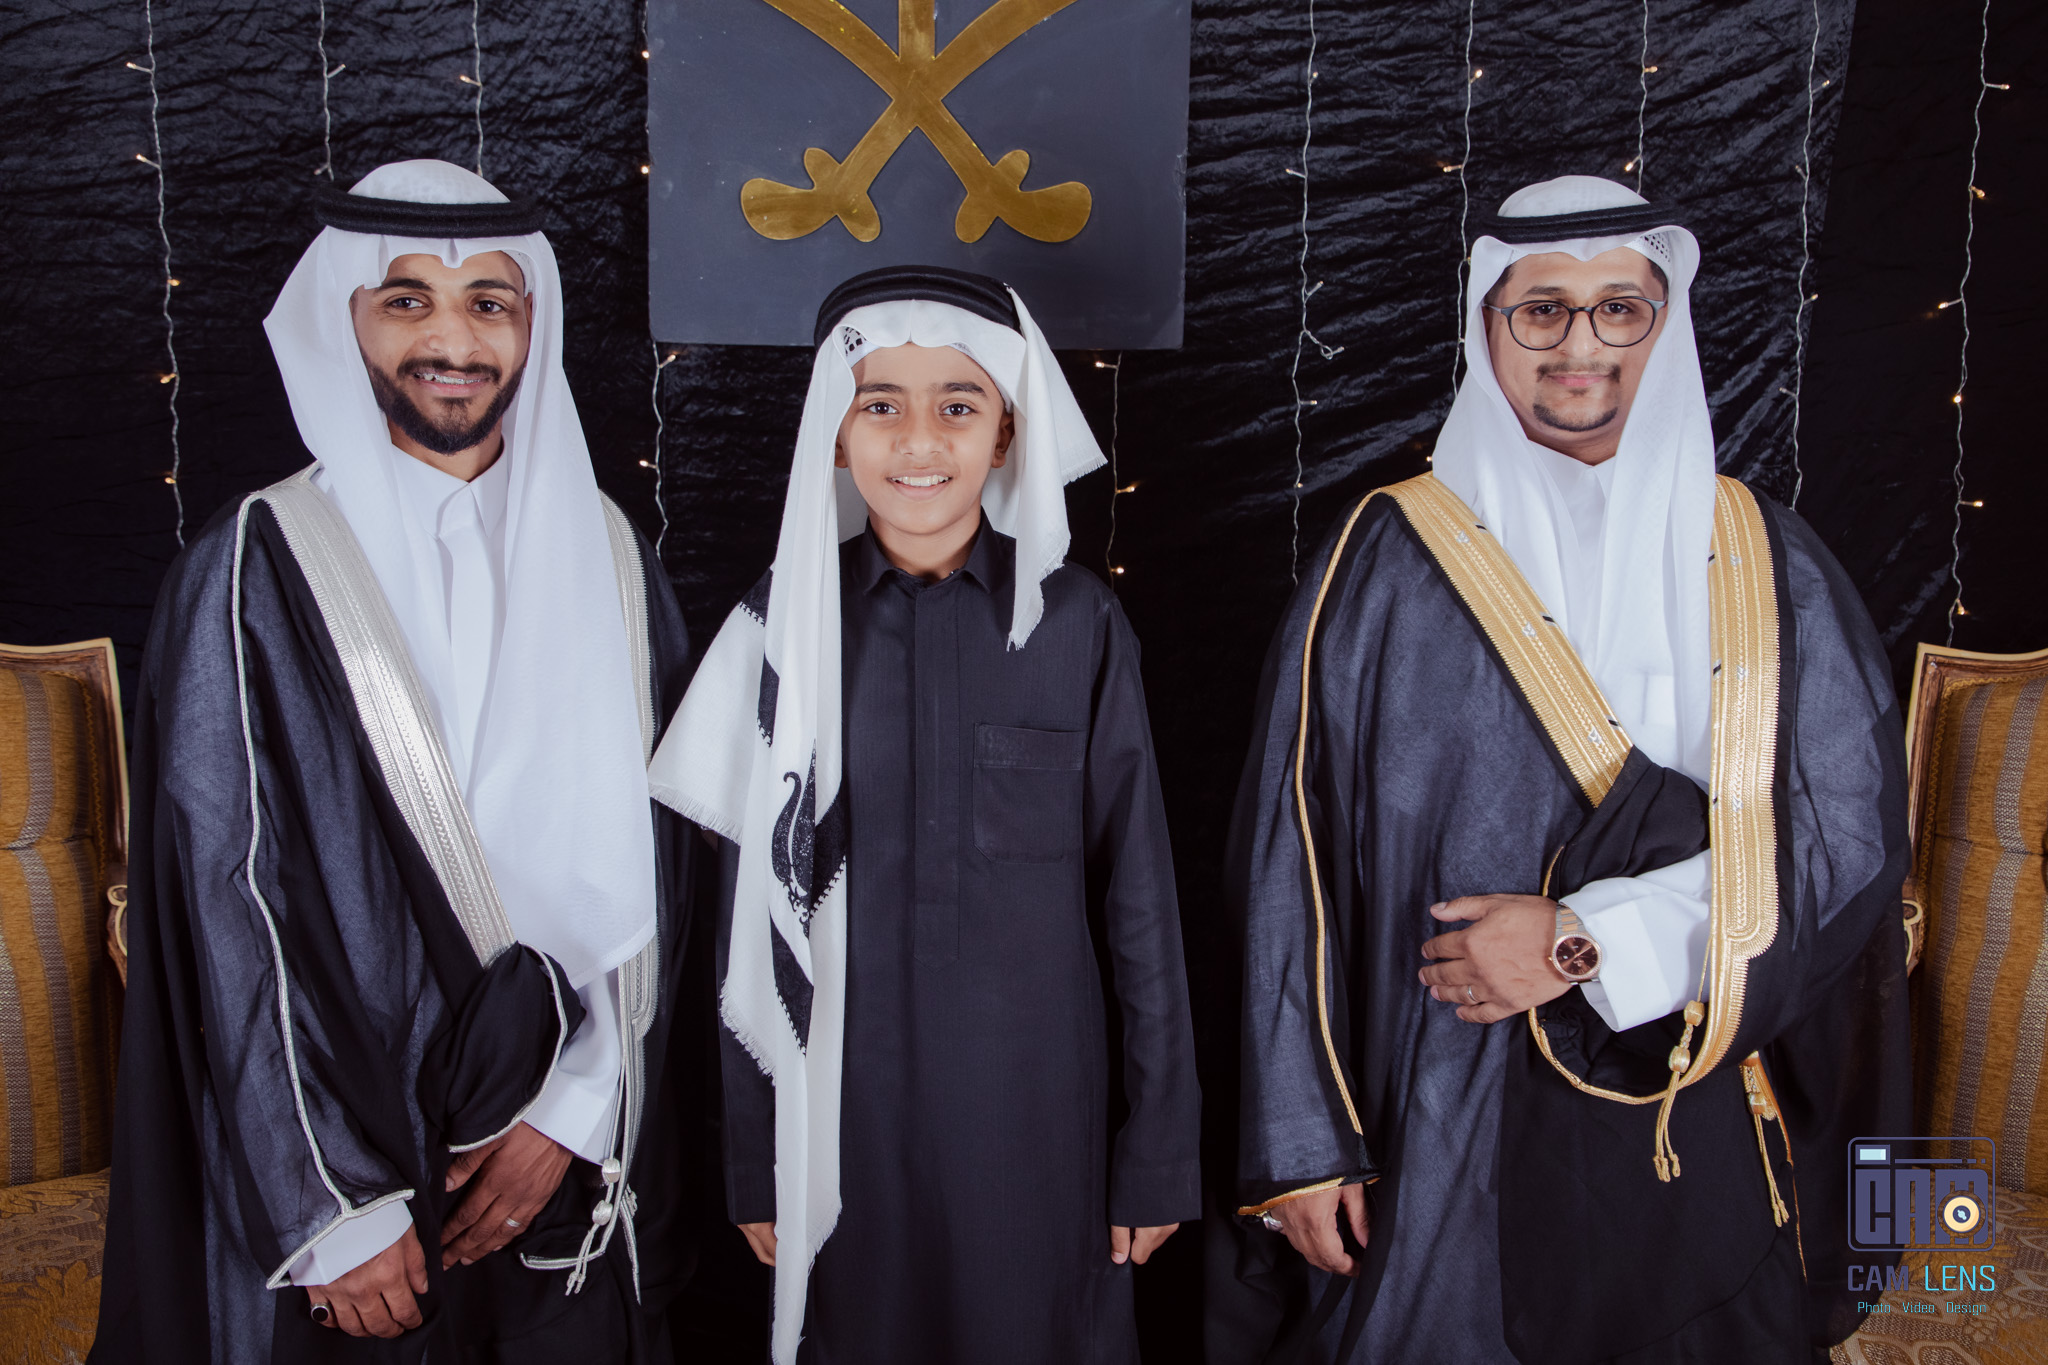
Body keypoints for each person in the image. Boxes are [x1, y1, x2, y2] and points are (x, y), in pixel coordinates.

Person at [1216, 176, 1911, 1364]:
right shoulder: (1380, 557)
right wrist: (1301, 1143)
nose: (1579, 344)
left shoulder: (1763, 557)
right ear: (1487, 327)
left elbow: (1842, 844)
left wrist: (1585, 942)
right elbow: (1291, 859)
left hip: (1683, 1095)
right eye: (1540, 309)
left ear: (1661, 328)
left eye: (1617, 309)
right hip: (1431, 1100)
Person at [92, 160, 699, 1363]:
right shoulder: (258, 562)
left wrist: (576, 1111)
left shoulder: (611, 556)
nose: (452, 340)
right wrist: (331, 1206)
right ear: (347, 319)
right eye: (407, 300)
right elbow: (230, 902)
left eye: (489, 302)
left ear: (530, 325)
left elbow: (668, 857)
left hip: (567, 1167)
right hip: (356, 1169)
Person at [648, 266, 1201, 1364]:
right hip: (837, 1124)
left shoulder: (1077, 622)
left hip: (1038, 1121)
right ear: (835, 432)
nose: (917, 440)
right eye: (880, 405)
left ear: (1005, 436)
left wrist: (1158, 1149)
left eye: (958, 405)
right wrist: (756, 1155)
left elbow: (1141, 904)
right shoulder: (778, 632)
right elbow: (744, 928)